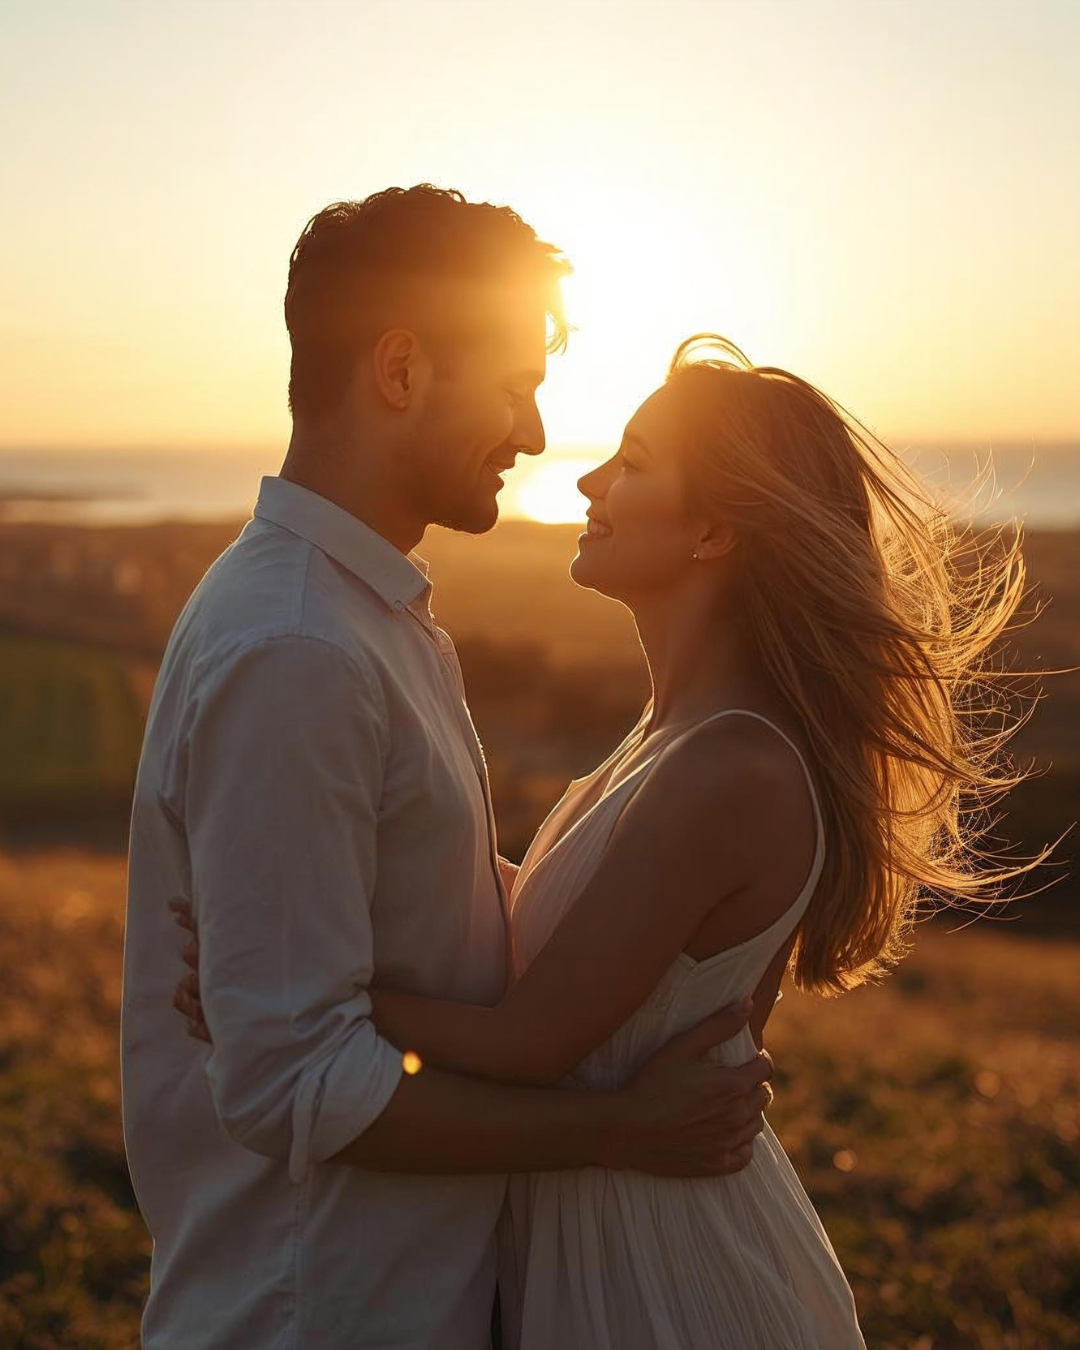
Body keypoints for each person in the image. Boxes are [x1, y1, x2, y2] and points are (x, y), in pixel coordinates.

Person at [175, 329, 1039, 1349]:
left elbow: (529, 1041)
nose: (585, 479)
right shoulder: (670, 735)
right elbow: (561, 924)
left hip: (669, 1267)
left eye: (631, 464)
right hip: (600, 1228)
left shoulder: (731, 768)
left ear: (714, 530)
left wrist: (287, 992)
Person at [121, 187, 774, 1350]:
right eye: (518, 384)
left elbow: (409, 916)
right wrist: (618, 1129)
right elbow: (292, 1083)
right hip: (314, 1312)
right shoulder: (300, 650)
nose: (533, 435)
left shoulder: (366, 619)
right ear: (404, 370)